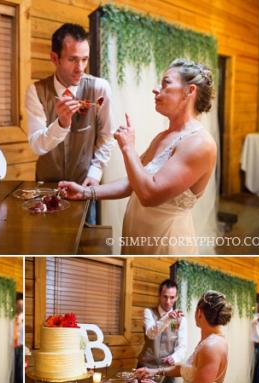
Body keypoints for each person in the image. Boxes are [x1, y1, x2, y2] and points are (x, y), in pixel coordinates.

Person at [59, 59, 217, 255]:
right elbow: (133, 182)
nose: (155, 89)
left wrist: (128, 148)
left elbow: (149, 194)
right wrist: (85, 193)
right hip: (137, 236)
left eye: (165, 83)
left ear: (189, 91)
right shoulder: (163, 137)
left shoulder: (200, 143)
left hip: (166, 242)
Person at [26, 23, 114, 223]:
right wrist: (62, 124)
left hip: (84, 187)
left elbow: (106, 135)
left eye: (84, 59)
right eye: (73, 59)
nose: (80, 68)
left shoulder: (99, 89)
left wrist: (96, 172)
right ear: (54, 58)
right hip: (46, 191)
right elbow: (37, 145)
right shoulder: (36, 92)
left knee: (85, 242)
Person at [136, 290, 231, 383]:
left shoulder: (212, 346)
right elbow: (187, 369)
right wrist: (156, 371)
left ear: (199, 313)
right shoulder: (209, 341)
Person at [12, 294, 24, 383]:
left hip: (21, 347)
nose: (19, 305)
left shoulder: (23, 318)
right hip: (12, 347)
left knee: (20, 374)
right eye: (18, 303)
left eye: (21, 303)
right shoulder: (13, 317)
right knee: (13, 373)